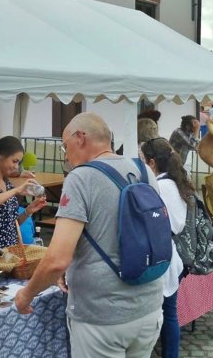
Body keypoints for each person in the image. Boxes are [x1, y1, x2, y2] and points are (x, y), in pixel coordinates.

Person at [15, 113, 163, 357]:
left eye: (65, 146)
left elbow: (56, 259)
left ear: (80, 138)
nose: (65, 154)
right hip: (148, 308)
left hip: (102, 317)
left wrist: (25, 295)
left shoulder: (81, 177)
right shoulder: (144, 170)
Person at [141, 137, 190, 358]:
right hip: (172, 252)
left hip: (160, 253)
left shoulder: (158, 186)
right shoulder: (176, 182)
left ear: (152, 163)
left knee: (155, 314)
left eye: (143, 160)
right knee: (170, 314)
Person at [0, 136, 47, 266]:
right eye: (14, 161)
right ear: (1, 156)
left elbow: (11, 223)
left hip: (10, 253)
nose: (16, 167)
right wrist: (16, 190)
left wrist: (28, 211)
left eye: (18, 163)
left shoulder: (7, 183)